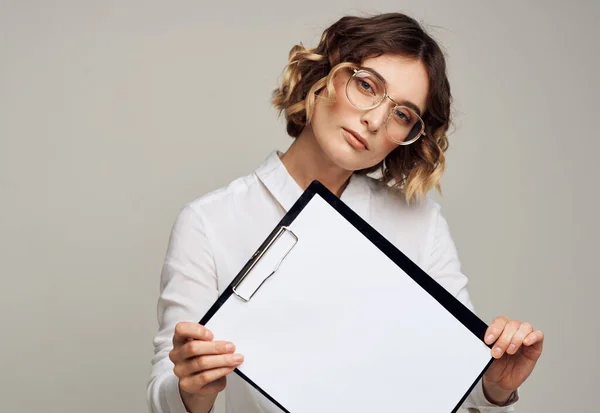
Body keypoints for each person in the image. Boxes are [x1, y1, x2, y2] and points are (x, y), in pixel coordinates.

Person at [146, 13, 544, 413]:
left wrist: (495, 386)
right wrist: (193, 388)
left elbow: (459, 382)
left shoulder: (422, 225)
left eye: (402, 115)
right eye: (367, 86)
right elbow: (166, 389)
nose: (374, 120)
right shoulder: (210, 222)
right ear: (324, 75)